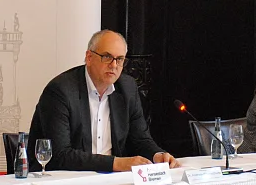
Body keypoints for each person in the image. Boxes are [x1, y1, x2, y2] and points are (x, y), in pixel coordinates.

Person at [27, 30, 179, 172]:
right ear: (89, 57)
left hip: (111, 181)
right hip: (64, 181)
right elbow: (60, 155)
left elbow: (140, 138)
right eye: (107, 57)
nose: (113, 65)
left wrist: (157, 155)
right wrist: (117, 163)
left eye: (119, 59)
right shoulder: (61, 91)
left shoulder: (128, 88)